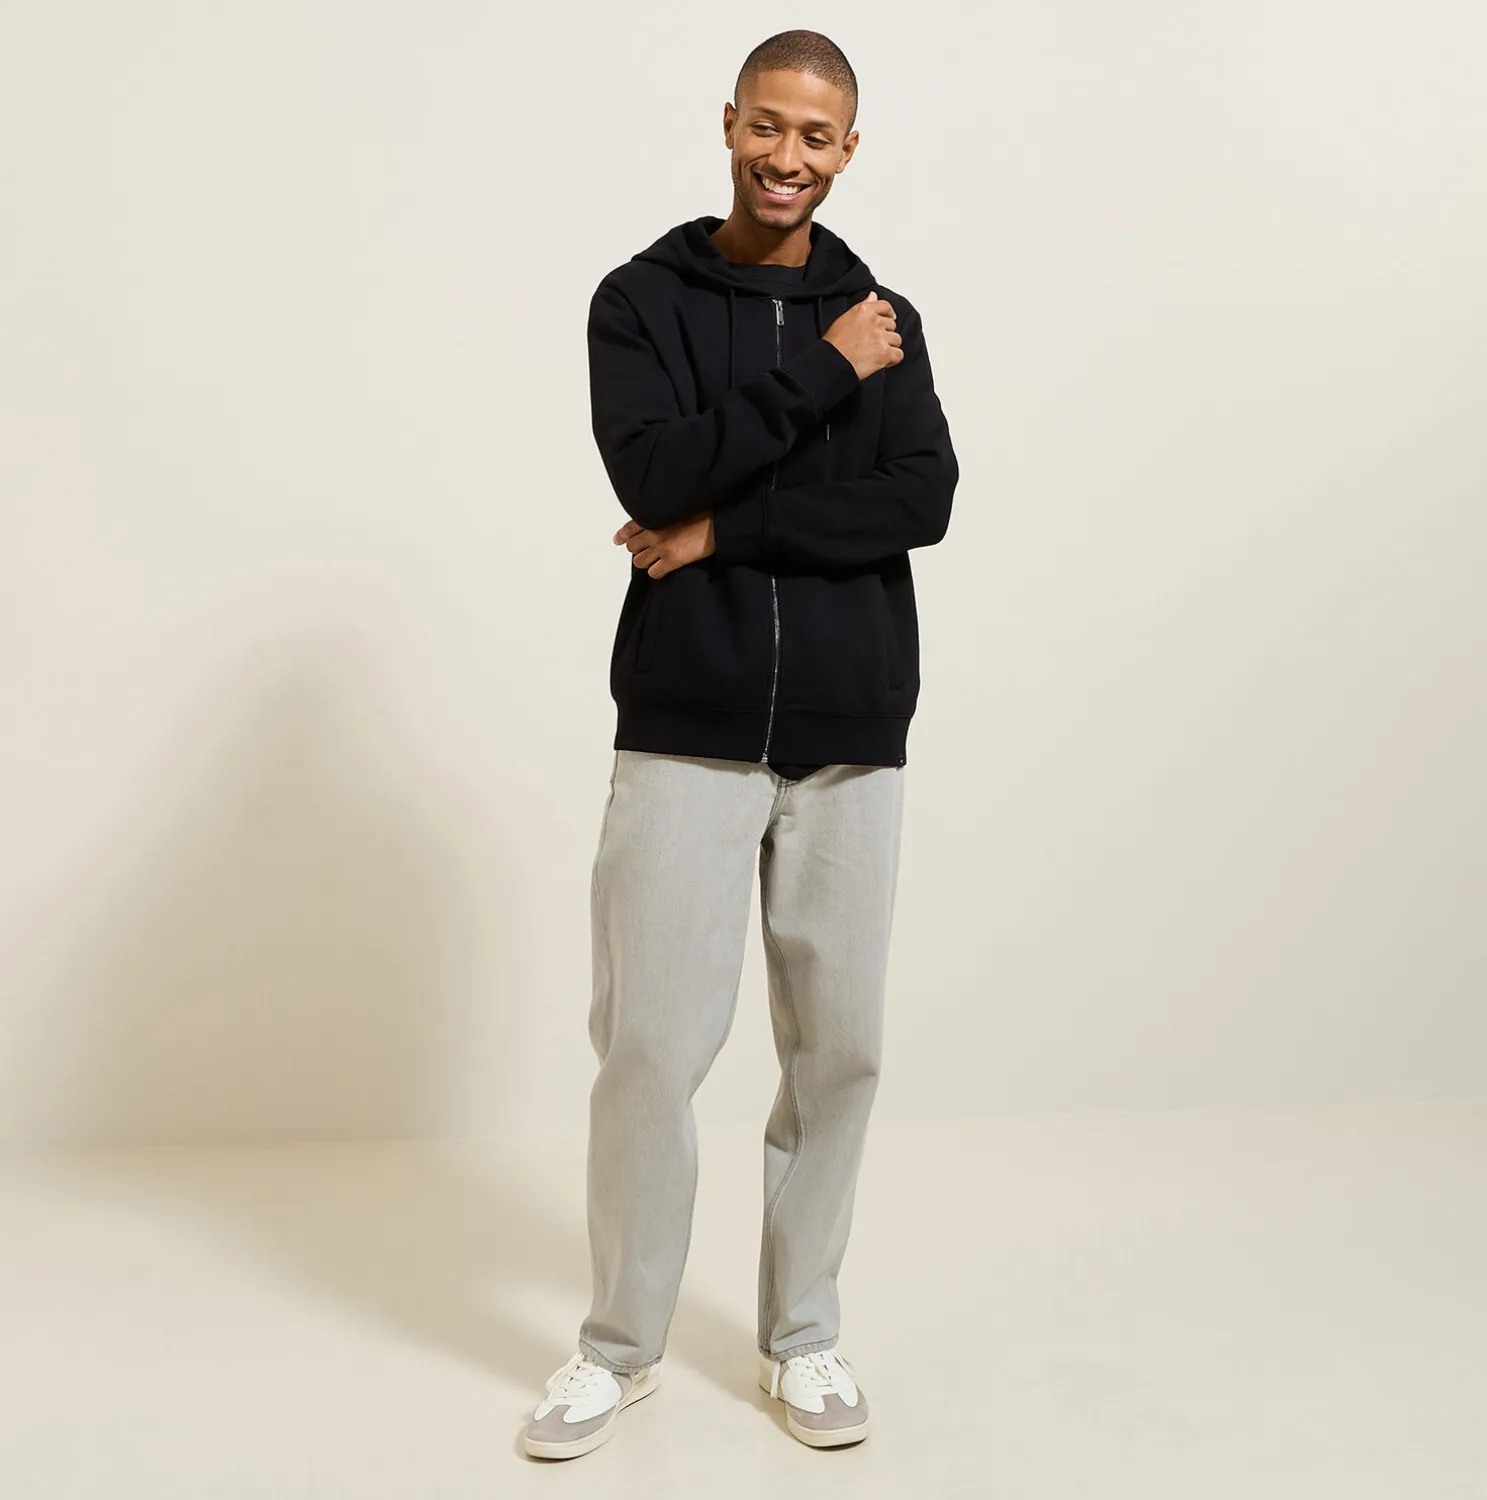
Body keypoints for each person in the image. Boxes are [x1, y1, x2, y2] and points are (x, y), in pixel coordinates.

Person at [523, 28, 959, 1460]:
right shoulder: (640, 301)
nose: (787, 156)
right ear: (728, 124)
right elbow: (653, 471)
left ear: (849, 150)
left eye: (816, 136)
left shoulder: (885, 315)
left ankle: (803, 1336)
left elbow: (920, 500)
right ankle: (618, 1347)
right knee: (649, 1045)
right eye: (767, 126)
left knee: (840, 1053)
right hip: (686, 730)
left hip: (850, 736)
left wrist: (727, 531)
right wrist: (820, 377)